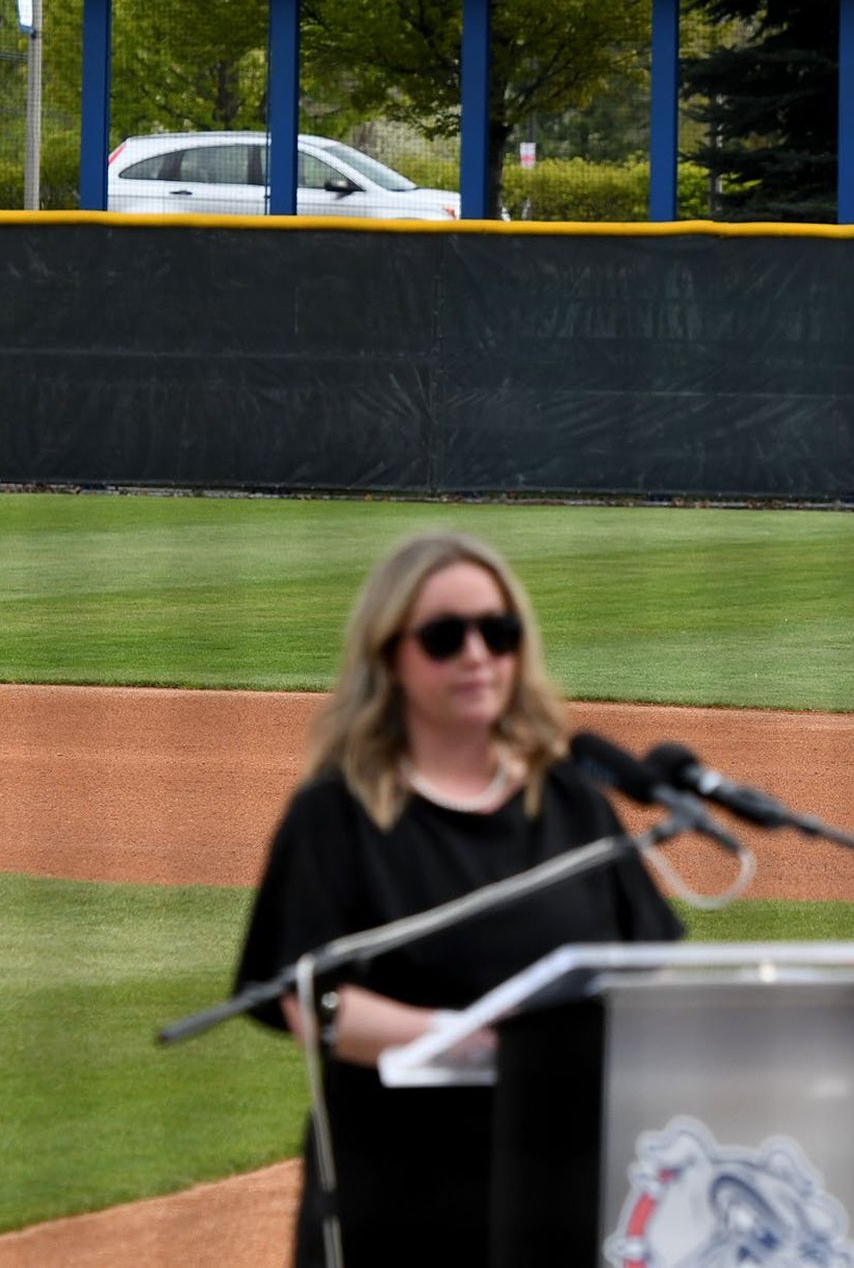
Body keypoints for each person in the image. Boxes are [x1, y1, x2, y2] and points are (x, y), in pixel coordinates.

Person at [237, 531, 683, 1267]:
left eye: (497, 632)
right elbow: (308, 999)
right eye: (445, 637)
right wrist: (467, 1038)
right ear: (390, 656)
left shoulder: (572, 801)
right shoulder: (337, 815)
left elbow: (654, 967)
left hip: (565, 1184)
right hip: (402, 1194)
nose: (477, 654)